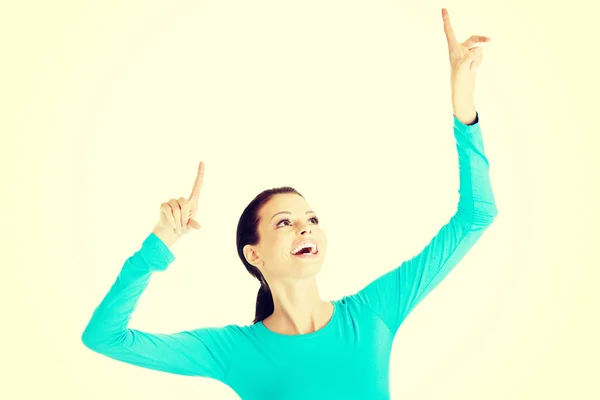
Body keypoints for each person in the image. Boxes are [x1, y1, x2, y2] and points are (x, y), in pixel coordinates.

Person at [81, 8, 497, 399]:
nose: (306, 228)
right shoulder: (232, 350)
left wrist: (464, 103)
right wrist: (160, 242)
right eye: (284, 222)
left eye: (311, 218)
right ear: (253, 253)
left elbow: (477, 216)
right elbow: (104, 338)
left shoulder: (374, 313)